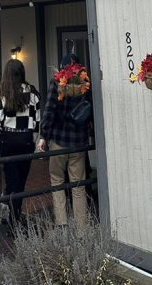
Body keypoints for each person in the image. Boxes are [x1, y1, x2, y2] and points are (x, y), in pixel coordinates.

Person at [39, 53, 94, 228]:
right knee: (78, 186)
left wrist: (43, 136)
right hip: (79, 141)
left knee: (57, 181)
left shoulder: (57, 83)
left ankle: (62, 224)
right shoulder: (85, 83)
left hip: (59, 140)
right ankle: (81, 229)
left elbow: (49, 111)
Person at [0, 59, 40, 232]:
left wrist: (0, 138)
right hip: (25, 140)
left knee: (12, 181)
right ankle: (14, 219)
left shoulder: (0, 94)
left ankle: (11, 216)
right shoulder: (32, 93)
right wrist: (33, 139)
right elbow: (37, 120)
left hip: (8, 141)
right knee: (20, 182)